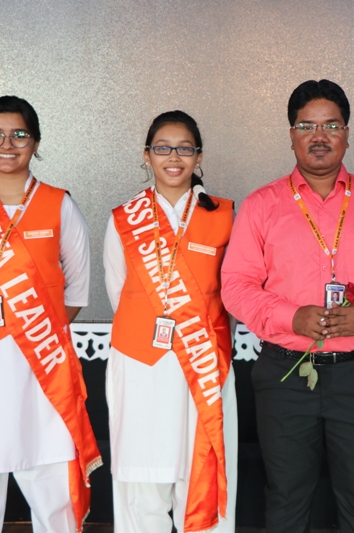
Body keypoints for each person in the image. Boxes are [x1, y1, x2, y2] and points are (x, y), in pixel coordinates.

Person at [221, 79, 354, 533]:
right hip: (284, 374)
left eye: (331, 125)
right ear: (291, 134)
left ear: (347, 133)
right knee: (286, 500)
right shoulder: (261, 205)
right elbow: (235, 286)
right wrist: (290, 316)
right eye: (306, 125)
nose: (319, 135)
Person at [0, 95, 101, 532]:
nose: (6, 144)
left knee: (48, 470)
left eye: (19, 135)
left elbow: (77, 289)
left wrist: (35, 333)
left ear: (36, 142)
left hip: (42, 362)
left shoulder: (60, 205)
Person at [103, 110, 237, 533]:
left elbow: (234, 291)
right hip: (140, 365)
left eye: (184, 148)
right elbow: (119, 291)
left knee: (201, 475)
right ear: (147, 155)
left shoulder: (225, 215)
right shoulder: (123, 218)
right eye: (162, 148)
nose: (173, 157)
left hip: (203, 365)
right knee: (141, 485)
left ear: (199, 156)